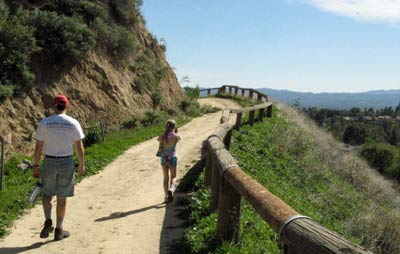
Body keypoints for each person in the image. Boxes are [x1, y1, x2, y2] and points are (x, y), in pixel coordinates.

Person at [33, 94, 85, 241]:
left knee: (47, 194)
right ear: (67, 106)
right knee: (62, 197)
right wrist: (81, 164)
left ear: (54, 106)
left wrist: (36, 166)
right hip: (66, 162)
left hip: (49, 161)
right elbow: (79, 147)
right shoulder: (73, 123)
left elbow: (38, 147)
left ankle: (48, 220)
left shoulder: (45, 123)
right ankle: (59, 230)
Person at [157, 119, 181, 203]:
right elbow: (178, 138)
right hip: (173, 158)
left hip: (164, 158)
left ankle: (166, 196)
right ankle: (171, 189)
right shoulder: (176, 136)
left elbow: (160, 146)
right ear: (174, 127)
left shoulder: (162, 136)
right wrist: (176, 131)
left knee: (165, 177)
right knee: (173, 176)